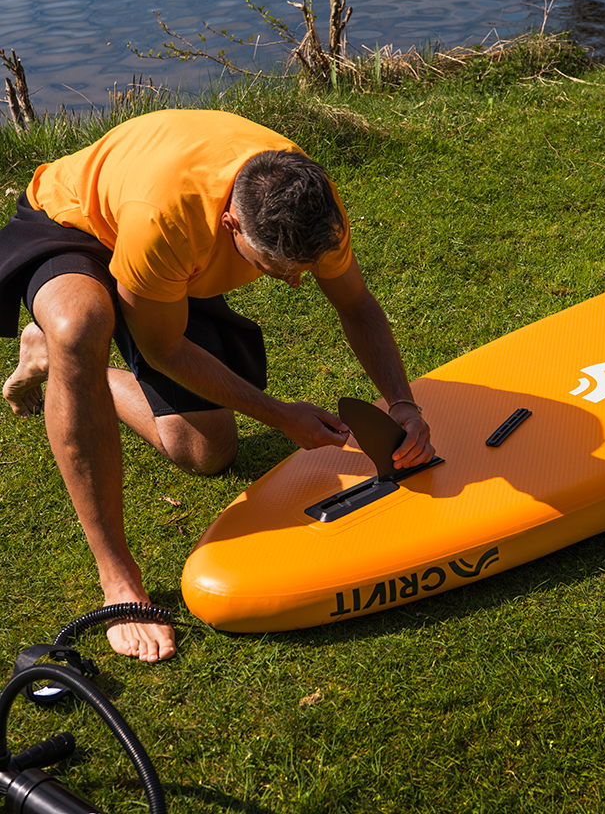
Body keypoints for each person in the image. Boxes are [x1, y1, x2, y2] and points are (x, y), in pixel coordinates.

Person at [0, 108, 433, 663]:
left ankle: (58, 362)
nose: (295, 282)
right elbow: (164, 348)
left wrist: (403, 403)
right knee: (81, 325)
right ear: (232, 225)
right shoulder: (168, 218)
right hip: (78, 222)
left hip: (173, 261)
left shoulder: (311, 203)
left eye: (302, 268)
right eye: (276, 268)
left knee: (205, 451)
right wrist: (279, 413)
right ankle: (119, 576)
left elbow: (356, 304)